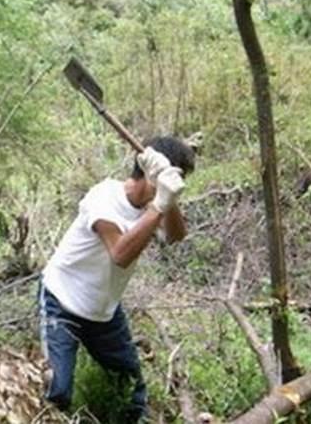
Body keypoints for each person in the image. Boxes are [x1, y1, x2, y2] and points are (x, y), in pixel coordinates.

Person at [39, 136, 195, 421]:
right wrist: (160, 204)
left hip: (103, 312)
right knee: (58, 391)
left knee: (132, 392)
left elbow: (175, 236)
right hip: (62, 302)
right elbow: (120, 254)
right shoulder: (104, 197)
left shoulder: (156, 202)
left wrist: (168, 200)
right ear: (148, 174)